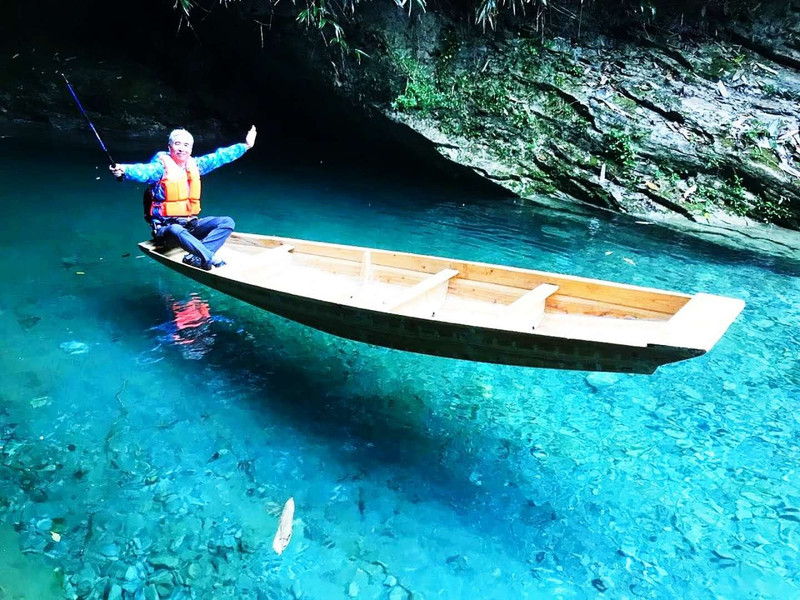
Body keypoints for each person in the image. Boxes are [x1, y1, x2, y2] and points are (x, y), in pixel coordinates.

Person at [110, 125, 257, 270]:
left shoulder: (196, 165)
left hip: (189, 226)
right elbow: (143, 171)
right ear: (170, 146)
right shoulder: (159, 168)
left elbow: (219, 157)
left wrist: (246, 146)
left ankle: (196, 257)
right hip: (166, 231)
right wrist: (123, 170)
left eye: (186, 145)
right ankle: (209, 258)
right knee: (175, 228)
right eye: (177, 144)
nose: (182, 148)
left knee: (226, 222)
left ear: (191, 150)